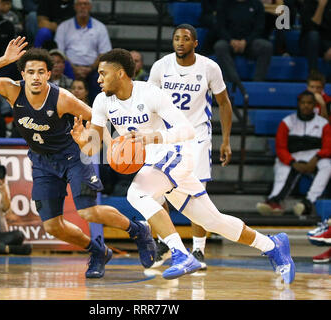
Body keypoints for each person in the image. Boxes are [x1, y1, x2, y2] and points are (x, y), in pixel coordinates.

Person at [71, 48, 296, 284]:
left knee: (136, 193)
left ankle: (180, 254)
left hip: (179, 152)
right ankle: (273, 245)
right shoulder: (101, 101)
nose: (97, 79)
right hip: (157, 164)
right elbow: (92, 149)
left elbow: (187, 130)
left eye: (102, 74)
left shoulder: (150, 93)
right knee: (213, 221)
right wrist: (82, 142)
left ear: (120, 74)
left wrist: (151, 137)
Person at [0, 36, 157, 279]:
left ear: (49, 75)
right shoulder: (11, 90)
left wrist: (106, 144)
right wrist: (5, 59)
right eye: (30, 72)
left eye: (41, 72)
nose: (35, 77)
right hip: (42, 161)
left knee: (87, 212)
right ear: (23, 75)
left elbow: (96, 117)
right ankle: (98, 251)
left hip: (72, 156)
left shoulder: (62, 98)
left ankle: (138, 230)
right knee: (51, 226)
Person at [147, 24, 233, 270]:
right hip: (166, 138)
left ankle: (198, 250)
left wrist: (226, 140)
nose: (180, 42)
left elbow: (224, 103)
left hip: (197, 138)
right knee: (154, 193)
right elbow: (148, 103)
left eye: (186, 38)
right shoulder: (160, 67)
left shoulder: (209, 67)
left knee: (197, 197)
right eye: (176, 38)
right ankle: (164, 243)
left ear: (195, 43)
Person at [256, 90, 331, 216]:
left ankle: (307, 202)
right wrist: (292, 162)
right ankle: (275, 201)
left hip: (315, 156)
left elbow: (328, 147)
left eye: (309, 103)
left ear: (314, 105)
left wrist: (316, 159)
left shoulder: (323, 124)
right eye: (303, 103)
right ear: (298, 104)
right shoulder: (287, 122)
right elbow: (280, 148)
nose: (306, 105)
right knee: (282, 164)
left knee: (327, 165)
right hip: (293, 156)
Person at [54, 0, 112, 103]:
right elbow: (60, 52)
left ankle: (96, 111)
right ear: (75, 7)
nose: (82, 7)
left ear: (90, 7)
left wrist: (90, 68)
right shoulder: (64, 27)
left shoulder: (100, 27)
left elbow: (104, 53)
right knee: (62, 71)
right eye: (80, 4)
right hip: (69, 67)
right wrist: (74, 68)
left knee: (100, 78)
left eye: (85, 4)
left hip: (93, 68)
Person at [213, 0, 273, 92]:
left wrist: (246, 42)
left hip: (249, 43)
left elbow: (259, 28)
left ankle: (257, 83)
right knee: (220, 46)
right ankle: (234, 81)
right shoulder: (224, 4)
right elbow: (220, 27)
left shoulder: (257, 4)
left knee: (266, 46)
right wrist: (231, 40)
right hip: (229, 42)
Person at [299, 0, 331, 74]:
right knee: (314, 35)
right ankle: (313, 74)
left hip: (327, 42)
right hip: (308, 42)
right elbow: (311, 27)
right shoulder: (307, 4)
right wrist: (321, 6)